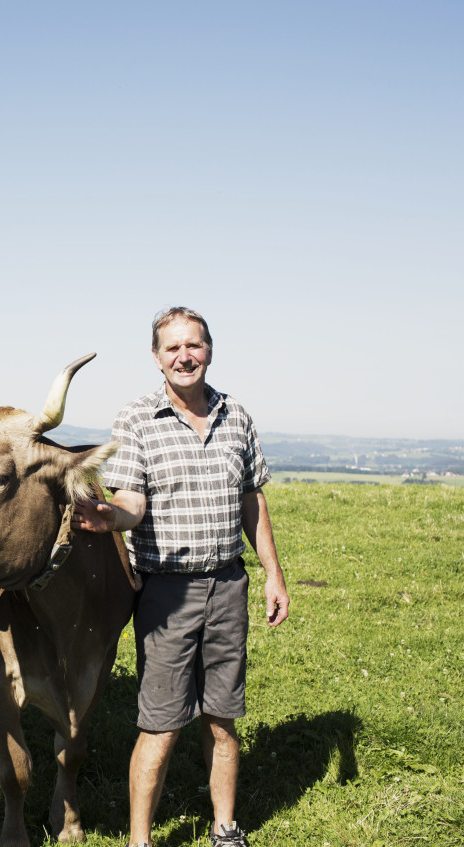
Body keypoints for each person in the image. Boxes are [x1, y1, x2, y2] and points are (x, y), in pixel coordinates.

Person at [73, 307, 290, 847]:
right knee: (162, 723)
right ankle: (140, 841)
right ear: (156, 358)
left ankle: (225, 828)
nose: (184, 356)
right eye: (172, 348)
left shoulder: (235, 415)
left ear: (209, 350)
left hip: (228, 584)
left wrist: (272, 573)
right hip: (166, 592)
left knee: (222, 717)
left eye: (193, 346)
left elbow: (251, 499)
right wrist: (110, 519)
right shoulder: (137, 418)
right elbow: (131, 502)